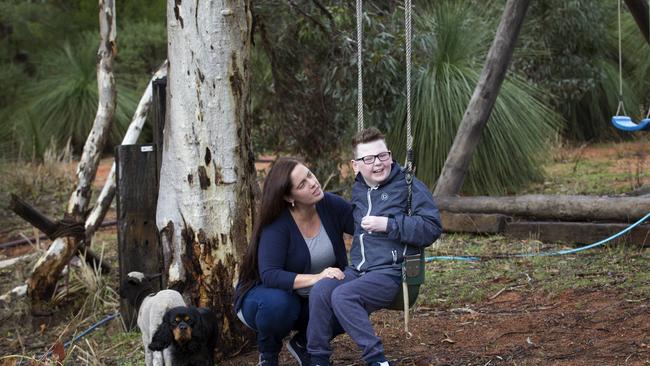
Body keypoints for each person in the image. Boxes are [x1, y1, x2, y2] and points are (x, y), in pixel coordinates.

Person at [307, 127, 443, 366]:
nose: (378, 164)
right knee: (321, 290)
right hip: (358, 270)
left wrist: (389, 225)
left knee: (343, 296)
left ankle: (377, 360)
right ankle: (317, 359)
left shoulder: (408, 185)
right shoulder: (359, 188)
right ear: (356, 165)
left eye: (383, 155)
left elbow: (432, 227)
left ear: (390, 155)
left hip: (391, 273)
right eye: (368, 159)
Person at [233, 157, 354, 366]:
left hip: (308, 301)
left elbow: (364, 227)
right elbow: (270, 275)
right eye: (302, 184)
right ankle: (268, 356)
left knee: (349, 298)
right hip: (265, 299)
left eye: (309, 174)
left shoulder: (330, 205)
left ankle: (304, 344)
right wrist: (318, 277)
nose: (313, 182)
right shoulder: (277, 224)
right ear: (289, 197)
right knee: (281, 304)